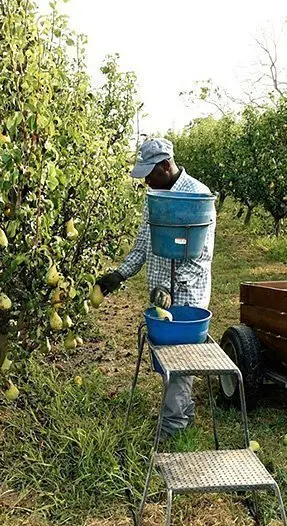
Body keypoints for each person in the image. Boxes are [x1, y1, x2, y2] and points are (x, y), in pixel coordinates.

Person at [97, 138, 215, 439]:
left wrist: (171, 287)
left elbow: (200, 254)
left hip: (187, 294)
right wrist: (119, 275)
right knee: (164, 356)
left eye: (150, 172)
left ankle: (172, 427)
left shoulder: (197, 198)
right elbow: (142, 245)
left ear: (166, 165)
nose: (147, 180)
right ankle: (183, 410)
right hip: (159, 293)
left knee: (181, 357)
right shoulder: (155, 196)